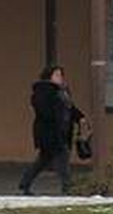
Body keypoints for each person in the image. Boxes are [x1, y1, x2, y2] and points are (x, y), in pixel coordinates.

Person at [19, 65, 85, 196]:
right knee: (62, 158)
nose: (60, 78)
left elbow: (70, 108)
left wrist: (80, 117)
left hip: (62, 131)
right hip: (49, 132)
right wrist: (59, 119)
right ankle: (68, 188)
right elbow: (45, 111)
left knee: (43, 160)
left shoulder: (62, 92)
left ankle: (25, 183)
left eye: (61, 75)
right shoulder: (43, 91)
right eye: (57, 75)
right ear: (49, 76)